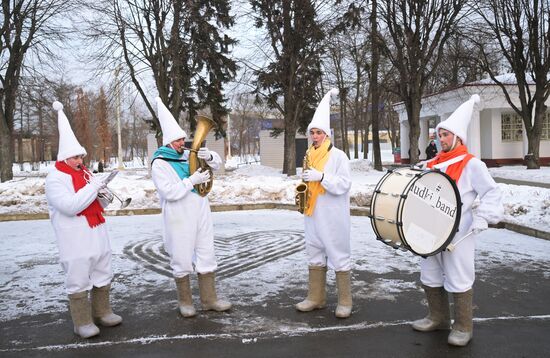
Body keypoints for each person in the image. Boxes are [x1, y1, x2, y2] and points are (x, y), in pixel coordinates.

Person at [414, 94, 503, 346]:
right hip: (431, 229)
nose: (441, 139)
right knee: (430, 273)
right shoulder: (433, 163)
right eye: (439, 135)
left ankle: (463, 326)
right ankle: (437, 317)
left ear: (458, 138)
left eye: (445, 135)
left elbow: (492, 191)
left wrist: (484, 216)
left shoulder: (472, 164)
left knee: (458, 275)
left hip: (459, 231)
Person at [45, 101, 122, 339]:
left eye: (81, 156)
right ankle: (82, 321)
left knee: (102, 269)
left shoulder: (84, 174)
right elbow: (71, 206)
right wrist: (93, 187)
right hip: (75, 236)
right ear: (65, 157)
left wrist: (104, 197)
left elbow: (93, 203)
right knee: (78, 275)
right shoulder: (55, 178)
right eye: (76, 157)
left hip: (96, 231)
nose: (80, 160)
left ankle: (102, 312)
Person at [151, 97, 231, 317]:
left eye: (182, 139)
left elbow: (217, 165)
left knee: (207, 252)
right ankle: (185, 302)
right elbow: (169, 192)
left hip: (200, 210)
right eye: (177, 141)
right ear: (167, 142)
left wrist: (211, 156)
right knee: (182, 256)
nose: (182, 144)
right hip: (179, 215)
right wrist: (191, 181)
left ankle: (209, 299)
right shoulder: (160, 163)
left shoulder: (187, 154)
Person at [295, 88, 353, 318]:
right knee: (314, 252)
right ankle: (316, 297)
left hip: (333, 215)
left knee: (338, 254)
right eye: (312, 133)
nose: (315, 136)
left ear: (327, 135)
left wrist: (322, 178)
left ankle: (345, 301)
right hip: (313, 213)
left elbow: (344, 184)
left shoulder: (338, 156)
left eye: (319, 133)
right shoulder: (309, 155)